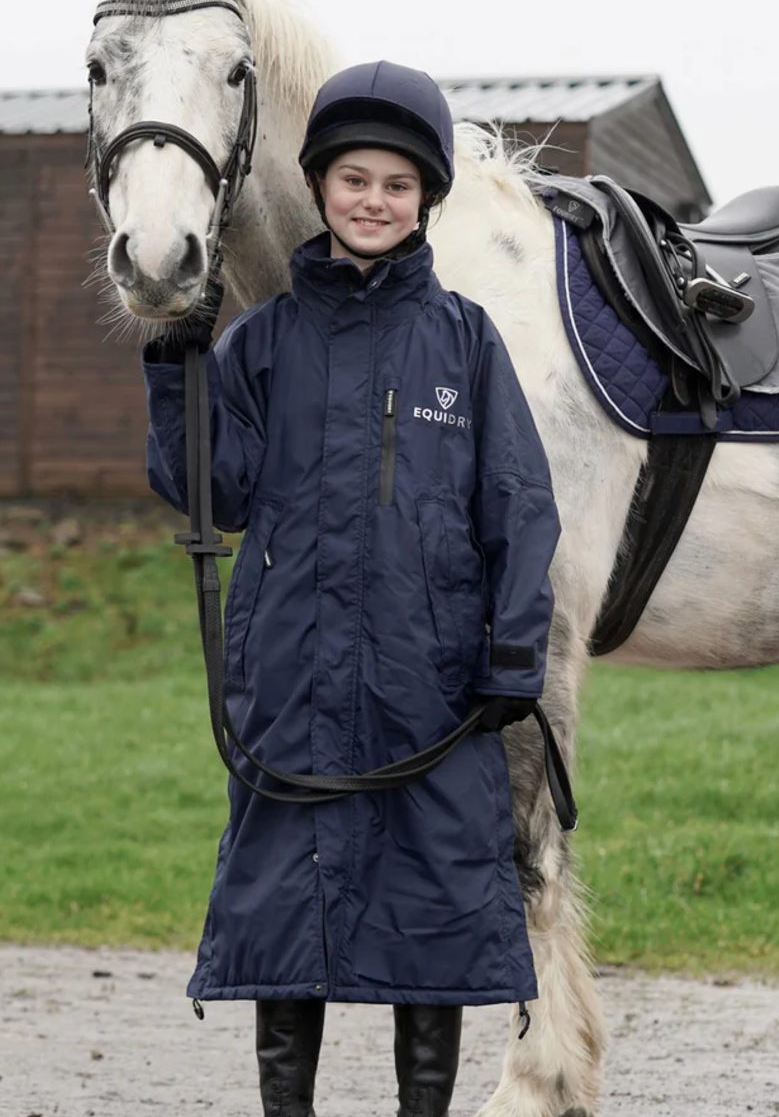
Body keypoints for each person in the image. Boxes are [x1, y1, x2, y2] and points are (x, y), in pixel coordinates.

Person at [141, 61, 562, 1117]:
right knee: (289, 919)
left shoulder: (465, 341)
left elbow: (520, 506)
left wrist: (511, 656)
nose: (373, 200)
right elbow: (215, 492)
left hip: (436, 697)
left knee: (437, 919)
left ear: (424, 199)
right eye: (353, 178)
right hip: (291, 691)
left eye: (397, 184)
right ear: (319, 184)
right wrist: (174, 370)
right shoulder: (261, 343)